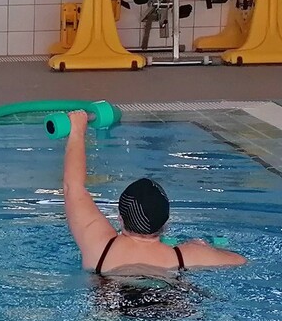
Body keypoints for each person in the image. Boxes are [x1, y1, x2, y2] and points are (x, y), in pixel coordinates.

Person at [61, 110, 247, 279]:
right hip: (169, 300)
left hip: (112, 298)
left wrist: (77, 129)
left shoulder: (99, 247)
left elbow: (73, 187)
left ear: (120, 218)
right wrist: (205, 249)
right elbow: (240, 261)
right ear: (166, 223)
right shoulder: (185, 256)